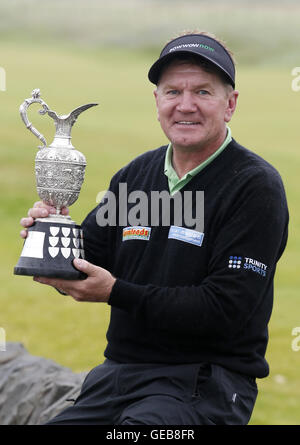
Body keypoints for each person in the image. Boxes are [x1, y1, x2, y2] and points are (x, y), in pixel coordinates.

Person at [20, 31, 289, 425]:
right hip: (118, 377)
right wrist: (51, 240)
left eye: (202, 92)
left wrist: (115, 291)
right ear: (157, 101)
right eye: (172, 92)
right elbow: (86, 259)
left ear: (229, 104)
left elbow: (222, 309)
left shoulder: (254, 186)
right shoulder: (136, 175)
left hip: (204, 382)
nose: (185, 105)